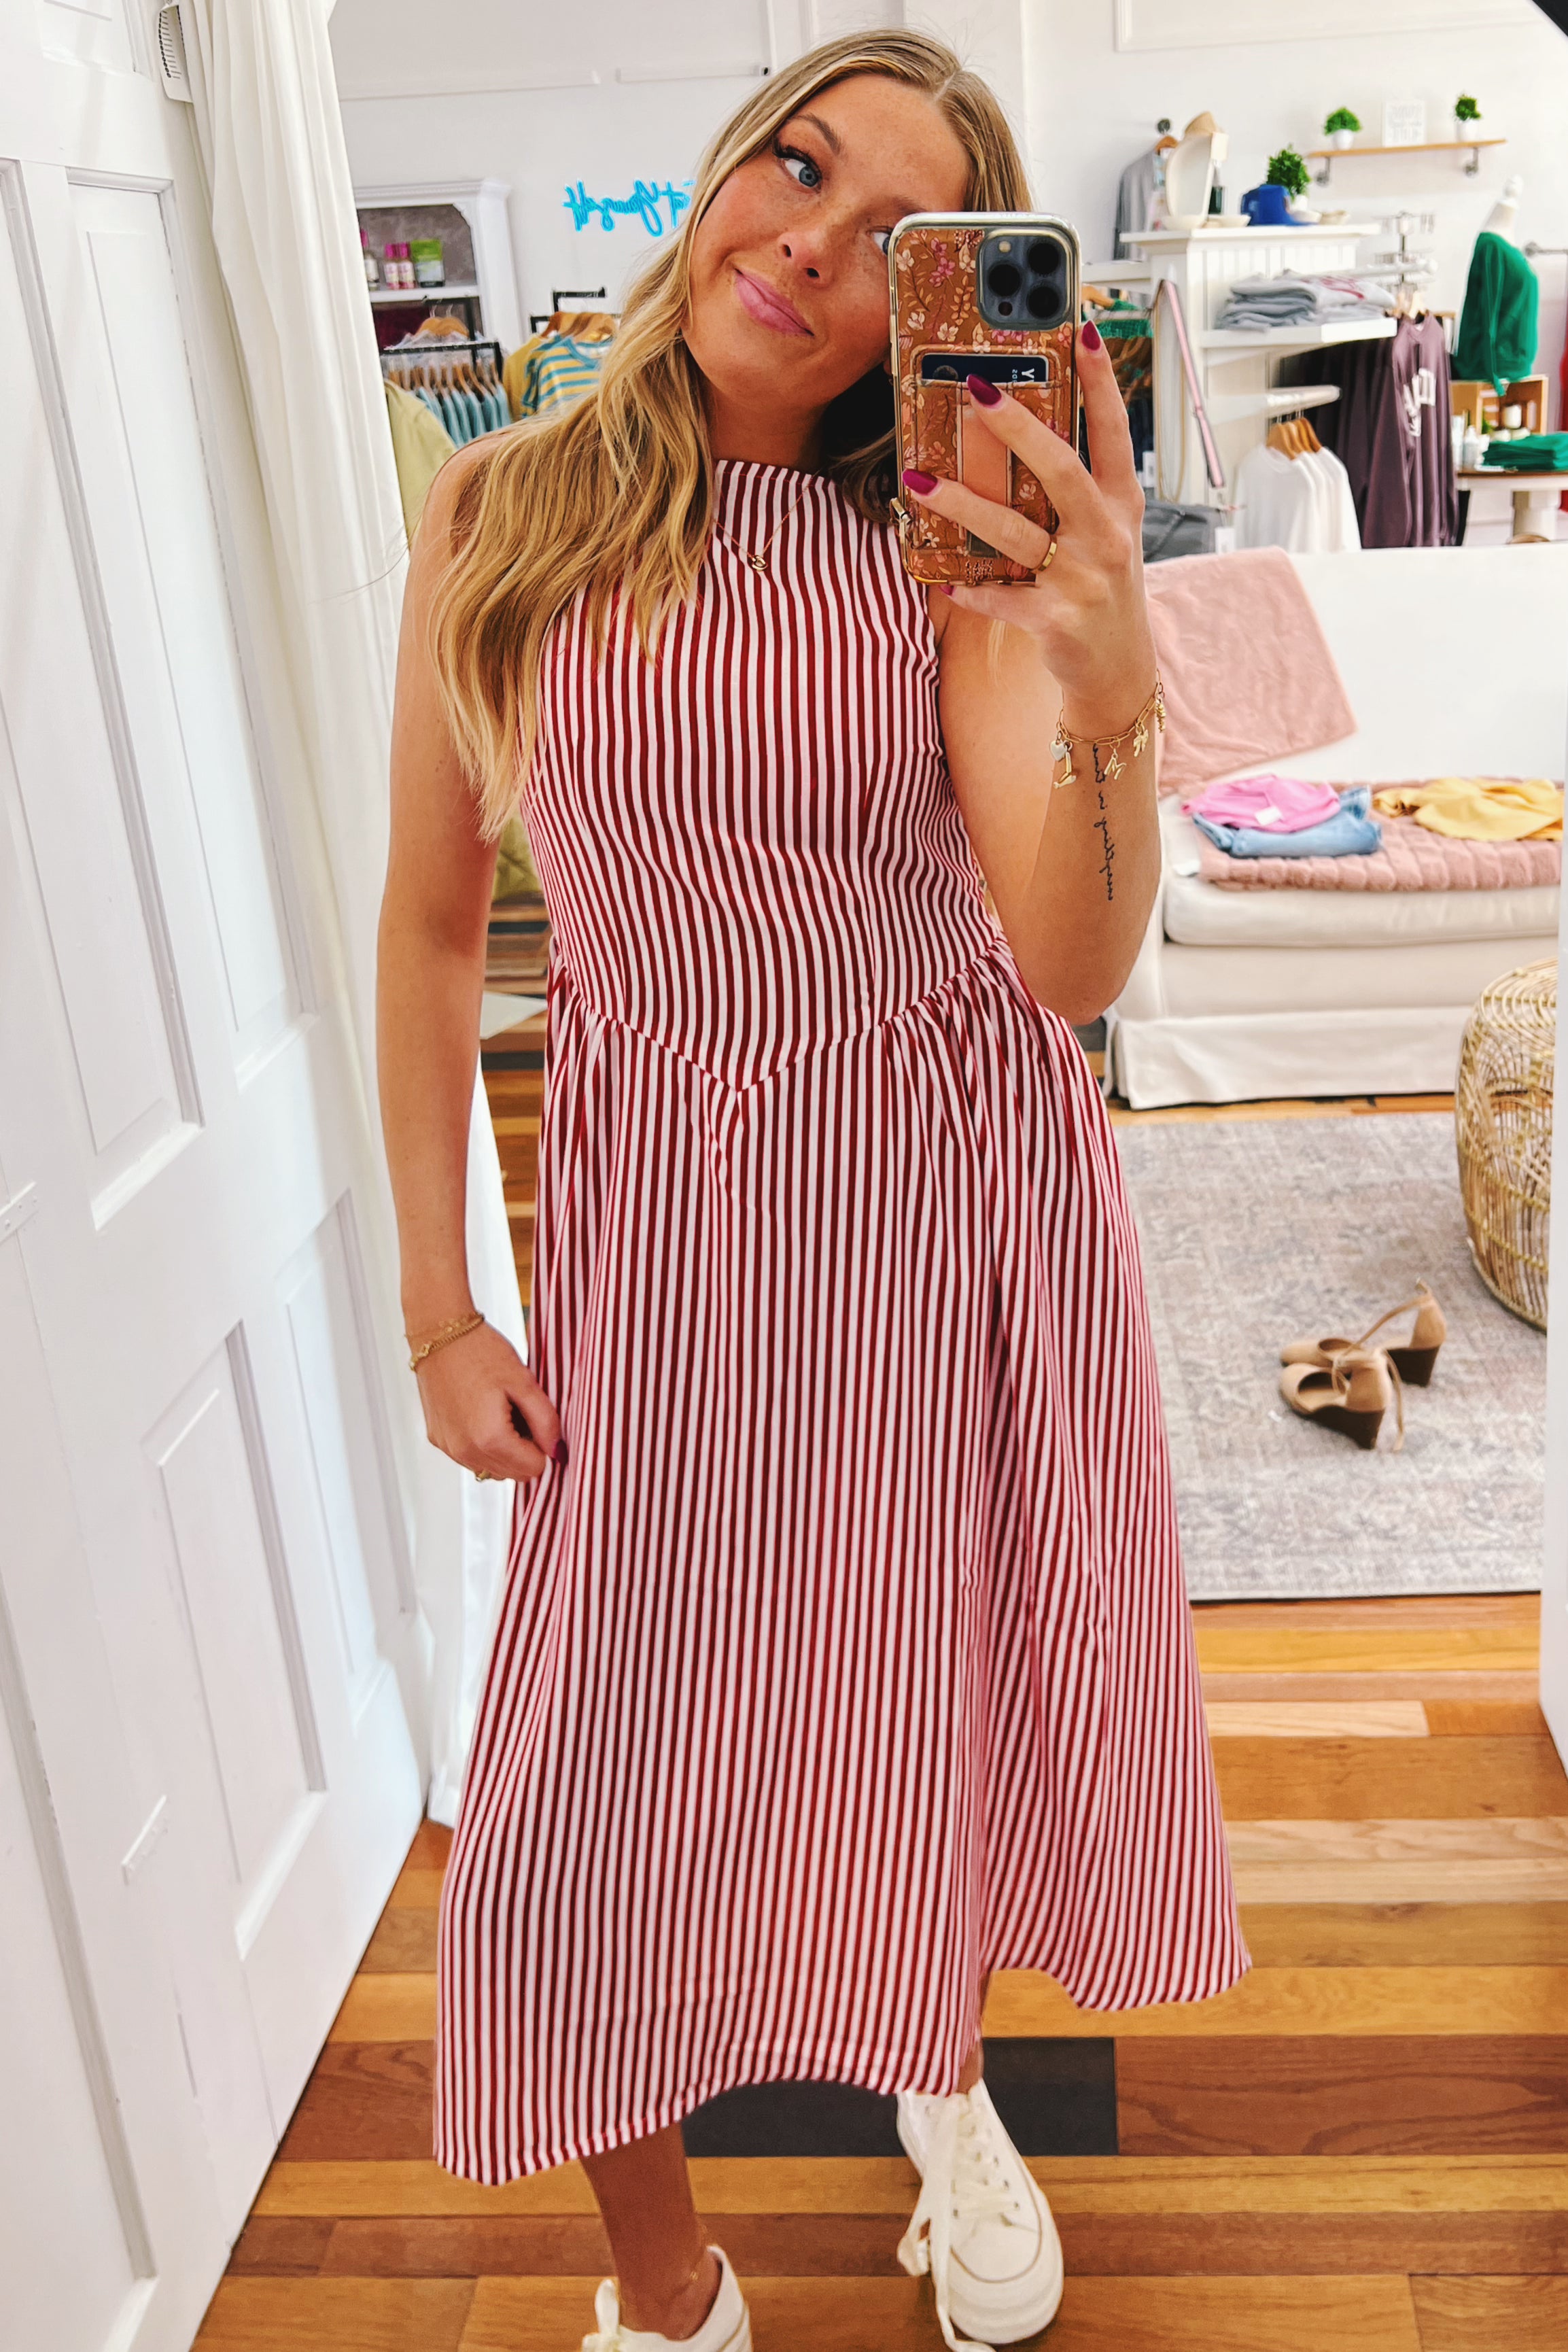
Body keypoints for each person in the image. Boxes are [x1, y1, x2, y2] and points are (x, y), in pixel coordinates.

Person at [377, 30, 1245, 2352]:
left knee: (912, 1692)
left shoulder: (936, 539)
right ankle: (666, 2286)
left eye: (894, 237)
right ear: (717, 174)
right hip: (664, 1224)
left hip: (945, 1198)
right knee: (580, 1796)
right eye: (794, 168)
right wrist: (437, 1299)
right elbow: (433, 921)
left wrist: (1109, 682)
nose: (810, 245)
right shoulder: (497, 508)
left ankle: (938, 2087)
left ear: (933, 305)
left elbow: (1063, 960)